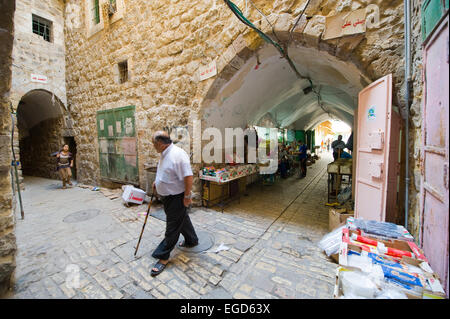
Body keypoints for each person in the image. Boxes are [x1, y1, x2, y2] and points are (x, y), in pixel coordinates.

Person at [150, 131, 198, 276]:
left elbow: (188, 176)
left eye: (153, 144)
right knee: (180, 220)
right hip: (168, 197)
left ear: (160, 143)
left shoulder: (178, 154)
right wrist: (157, 182)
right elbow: (165, 172)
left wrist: (187, 196)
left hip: (176, 197)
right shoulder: (165, 154)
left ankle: (163, 256)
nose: (153, 147)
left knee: (172, 227)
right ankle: (192, 240)